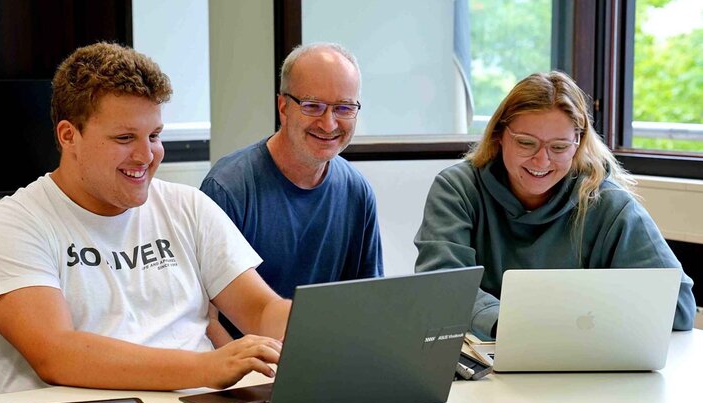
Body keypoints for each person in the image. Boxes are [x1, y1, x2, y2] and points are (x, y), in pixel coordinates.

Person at [0, 42, 291, 395]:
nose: (146, 155)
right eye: (125, 138)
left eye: (154, 136)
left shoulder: (188, 207)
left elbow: (260, 311)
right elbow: (56, 354)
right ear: (68, 135)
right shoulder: (12, 225)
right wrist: (208, 366)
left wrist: (320, 329)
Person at [414, 71, 696, 340]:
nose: (542, 161)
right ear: (499, 136)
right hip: (485, 368)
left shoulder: (609, 205)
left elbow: (679, 307)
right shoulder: (458, 189)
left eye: (559, 147)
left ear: (578, 143)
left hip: (584, 368)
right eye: (526, 143)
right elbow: (440, 286)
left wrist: (568, 327)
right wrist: (515, 327)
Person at [200, 43, 383, 338]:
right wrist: (253, 380)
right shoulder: (228, 189)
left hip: (325, 365)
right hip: (246, 370)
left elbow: (365, 305)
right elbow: (204, 321)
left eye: (344, 108)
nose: (329, 123)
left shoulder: (357, 192)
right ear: (284, 108)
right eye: (313, 106)